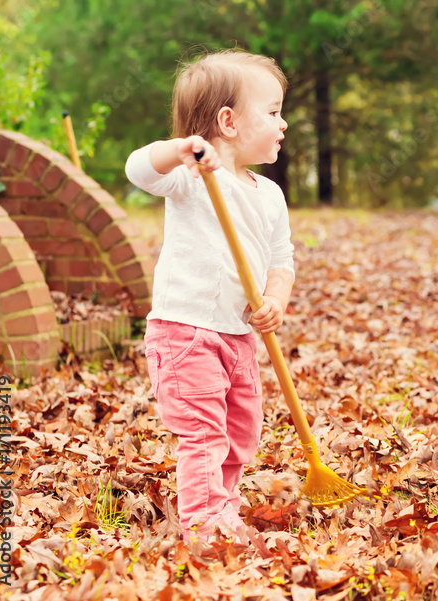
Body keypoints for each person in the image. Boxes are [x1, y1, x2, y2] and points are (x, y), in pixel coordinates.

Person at [125, 49, 294, 546]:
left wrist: (275, 300)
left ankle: (225, 508)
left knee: (241, 434)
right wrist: (180, 149)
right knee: (204, 433)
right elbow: (140, 169)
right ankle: (205, 528)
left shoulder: (269, 194)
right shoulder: (194, 177)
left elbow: (281, 259)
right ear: (229, 121)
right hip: (186, 332)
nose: (283, 123)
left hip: (240, 337)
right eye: (273, 111)